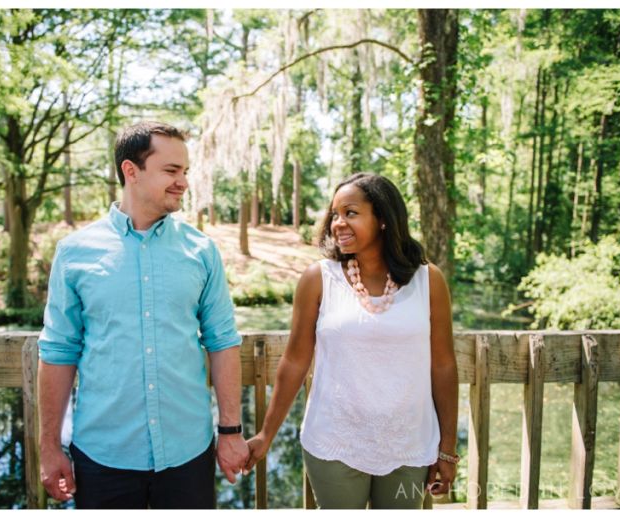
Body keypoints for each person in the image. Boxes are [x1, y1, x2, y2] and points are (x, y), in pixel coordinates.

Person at [37, 121, 249, 509]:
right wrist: (49, 446)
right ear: (130, 171)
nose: (183, 182)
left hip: (189, 454)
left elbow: (223, 342)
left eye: (185, 171)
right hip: (103, 457)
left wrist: (231, 431)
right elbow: (58, 352)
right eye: (171, 171)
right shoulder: (74, 252)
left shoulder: (202, 252)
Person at [245, 173, 459, 509]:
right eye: (334, 214)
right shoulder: (319, 279)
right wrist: (265, 434)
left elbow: (444, 365)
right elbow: (295, 361)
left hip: (410, 444)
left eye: (351, 213)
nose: (337, 223)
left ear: (384, 220)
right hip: (335, 442)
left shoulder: (428, 281)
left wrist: (447, 447)